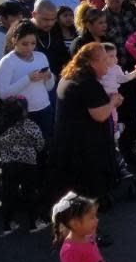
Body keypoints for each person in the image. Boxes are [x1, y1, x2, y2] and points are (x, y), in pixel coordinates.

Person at [52, 43, 124, 201]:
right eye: (105, 59)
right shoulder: (87, 83)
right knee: (85, 192)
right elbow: (100, 115)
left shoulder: (72, 76)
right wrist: (113, 102)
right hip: (82, 147)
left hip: (70, 142)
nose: (109, 63)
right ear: (92, 63)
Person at [0, 97, 47, 237]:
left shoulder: (0, 127)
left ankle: (8, 225)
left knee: (8, 194)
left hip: (8, 165)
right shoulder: (30, 126)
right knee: (30, 193)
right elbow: (40, 144)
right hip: (28, 164)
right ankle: (34, 223)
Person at [0, 19, 57, 139]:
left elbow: (49, 87)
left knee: (46, 147)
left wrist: (49, 76)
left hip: (44, 109)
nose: (29, 48)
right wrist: (28, 79)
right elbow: (3, 94)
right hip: (22, 115)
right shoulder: (7, 62)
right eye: (25, 44)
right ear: (14, 40)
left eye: (33, 43)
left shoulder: (41, 57)